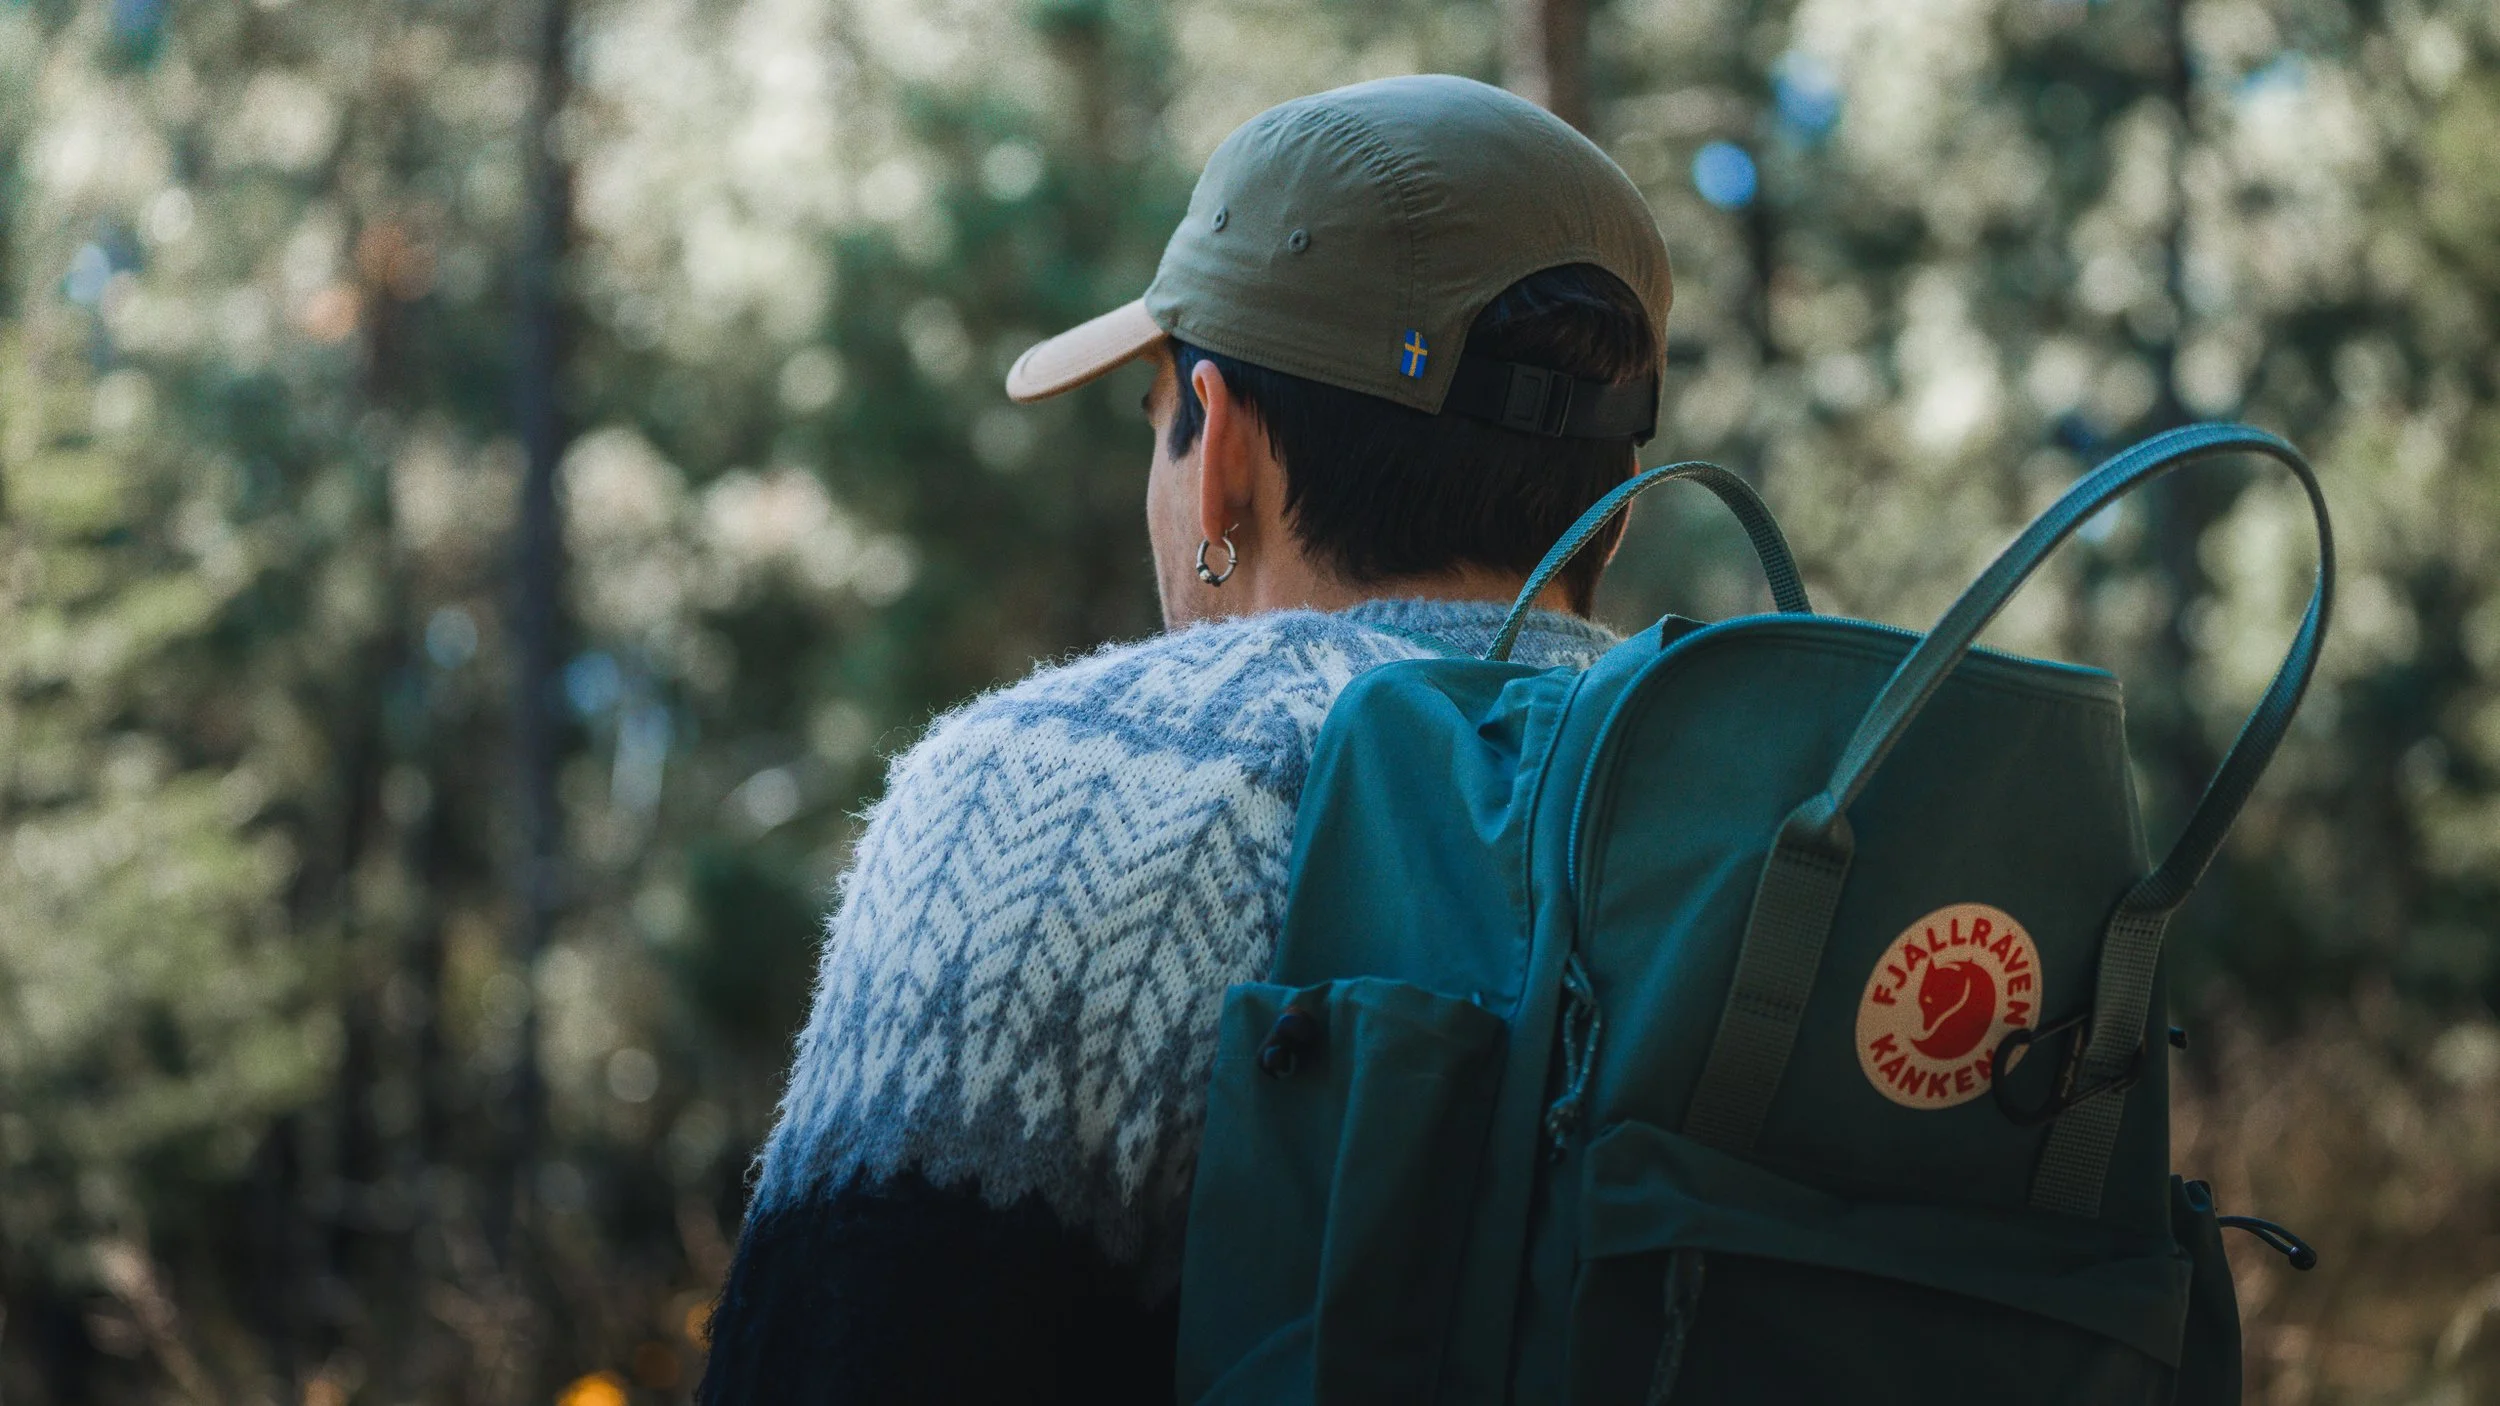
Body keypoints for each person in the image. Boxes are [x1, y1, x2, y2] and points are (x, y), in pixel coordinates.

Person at [698, 73, 1675, 1403]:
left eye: (1158, 416)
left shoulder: (1036, 798)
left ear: (1220, 453)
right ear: (1614, 503)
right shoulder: (1774, 810)